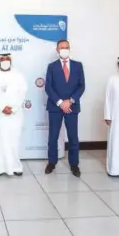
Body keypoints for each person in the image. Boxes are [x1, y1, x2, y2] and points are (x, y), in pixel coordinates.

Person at [44, 39, 86, 177]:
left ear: (70, 49)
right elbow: (48, 87)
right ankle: (52, 162)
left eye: (66, 47)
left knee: (73, 137)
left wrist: (70, 101)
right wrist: (60, 103)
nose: (64, 50)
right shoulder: (51, 66)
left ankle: (74, 165)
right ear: (57, 50)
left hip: (72, 107)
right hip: (55, 107)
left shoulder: (78, 66)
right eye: (61, 48)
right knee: (53, 137)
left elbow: (82, 86)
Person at [0, 53, 28, 176]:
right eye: (2, 59)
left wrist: (13, 108)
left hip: (15, 114)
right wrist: (1, 107)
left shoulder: (18, 76)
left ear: (11, 61)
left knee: (14, 140)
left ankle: (15, 167)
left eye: (7, 59)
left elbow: (22, 93)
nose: (5, 61)